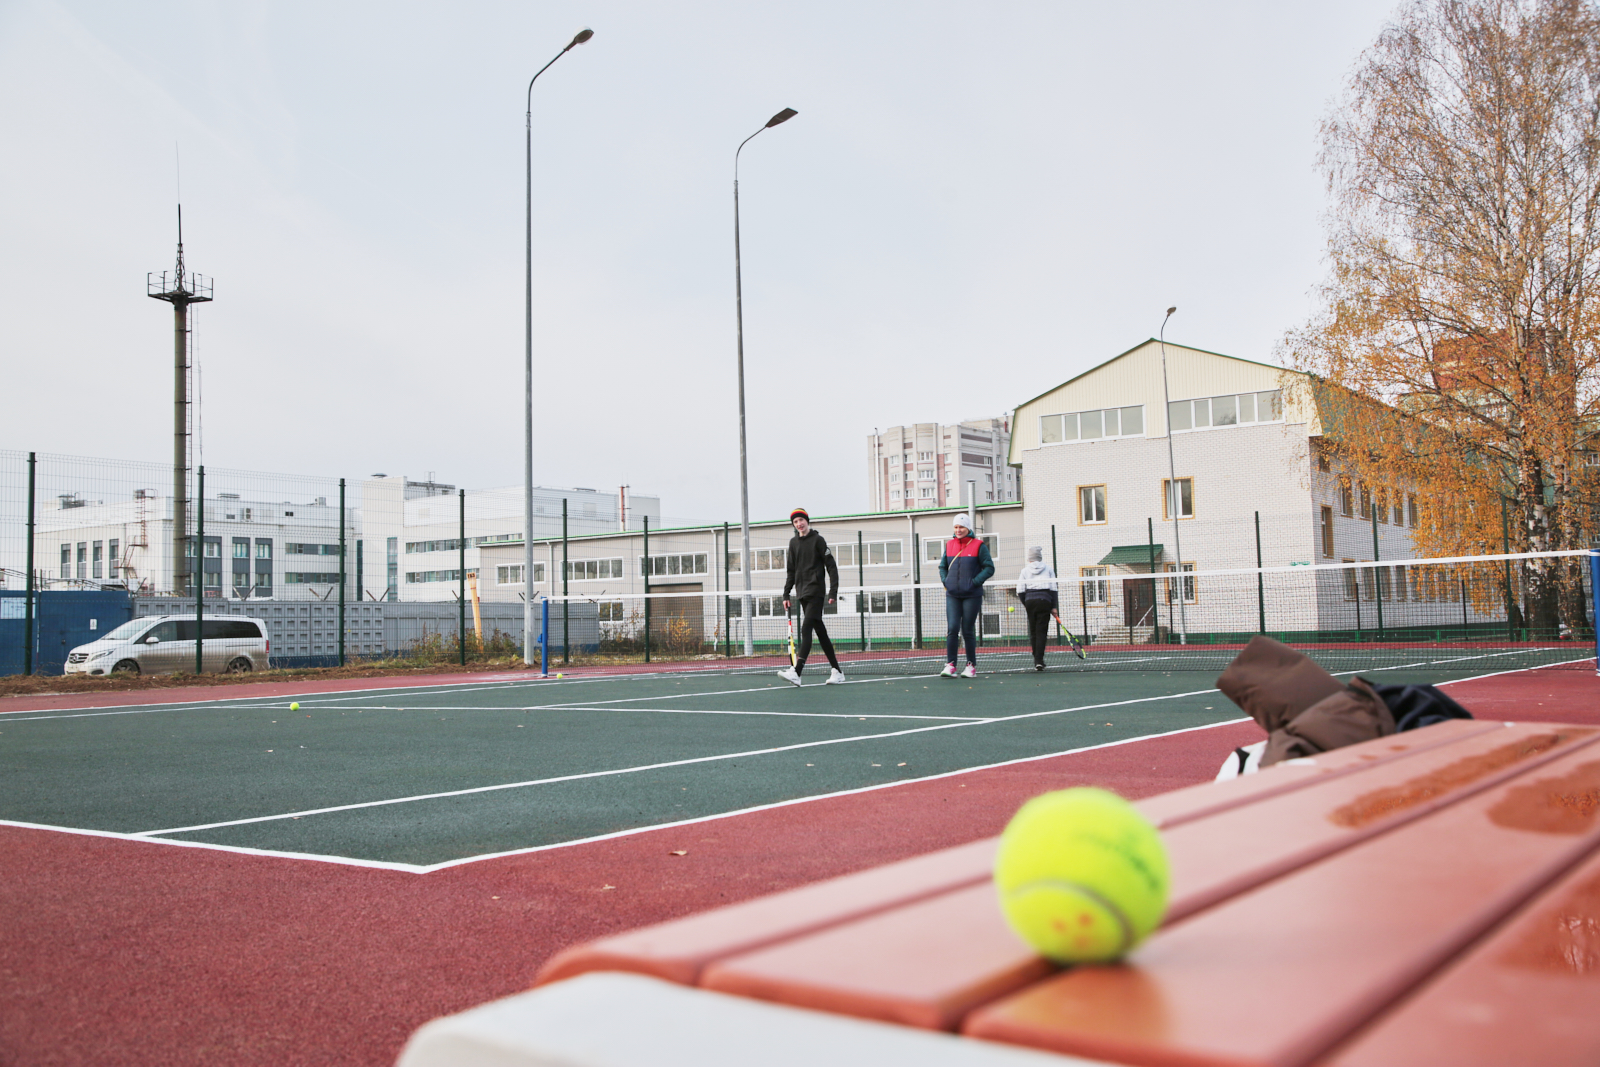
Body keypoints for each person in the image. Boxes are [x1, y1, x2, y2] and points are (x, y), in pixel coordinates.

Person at [778, 507, 845, 686]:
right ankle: (837, 671)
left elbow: (831, 566)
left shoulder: (818, 540)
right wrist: (786, 593)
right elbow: (791, 571)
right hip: (802, 593)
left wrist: (833, 591)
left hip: (815, 591)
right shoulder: (793, 543)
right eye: (795, 522)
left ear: (807, 521)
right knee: (820, 633)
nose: (799, 524)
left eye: (801, 520)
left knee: (806, 628)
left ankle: (797, 672)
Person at [939, 514, 994, 678]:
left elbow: (989, 568)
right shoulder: (949, 545)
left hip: (972, 595)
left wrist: (974, 582)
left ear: (968, 528)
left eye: (961, 527)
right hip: (952, 595)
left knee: (967, 630)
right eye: (956, 527)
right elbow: (942, 567)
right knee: (952, 629)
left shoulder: (979, 545)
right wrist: (946, 581)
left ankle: (971, 666)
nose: (958, 530)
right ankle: (951, 665)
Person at [1014, 546, 1060, 671]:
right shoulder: (1049, 569)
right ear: (1040, 557)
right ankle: (1039, 660)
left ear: (1029, 558)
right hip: (1044, 600)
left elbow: (1020, 590)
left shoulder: (1024, 571)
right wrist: (1053, 606)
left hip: (1030, 600)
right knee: (1041, 631)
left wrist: (1026, 603)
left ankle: (1036, 659)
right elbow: (1053, 589)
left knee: (1033, 631)